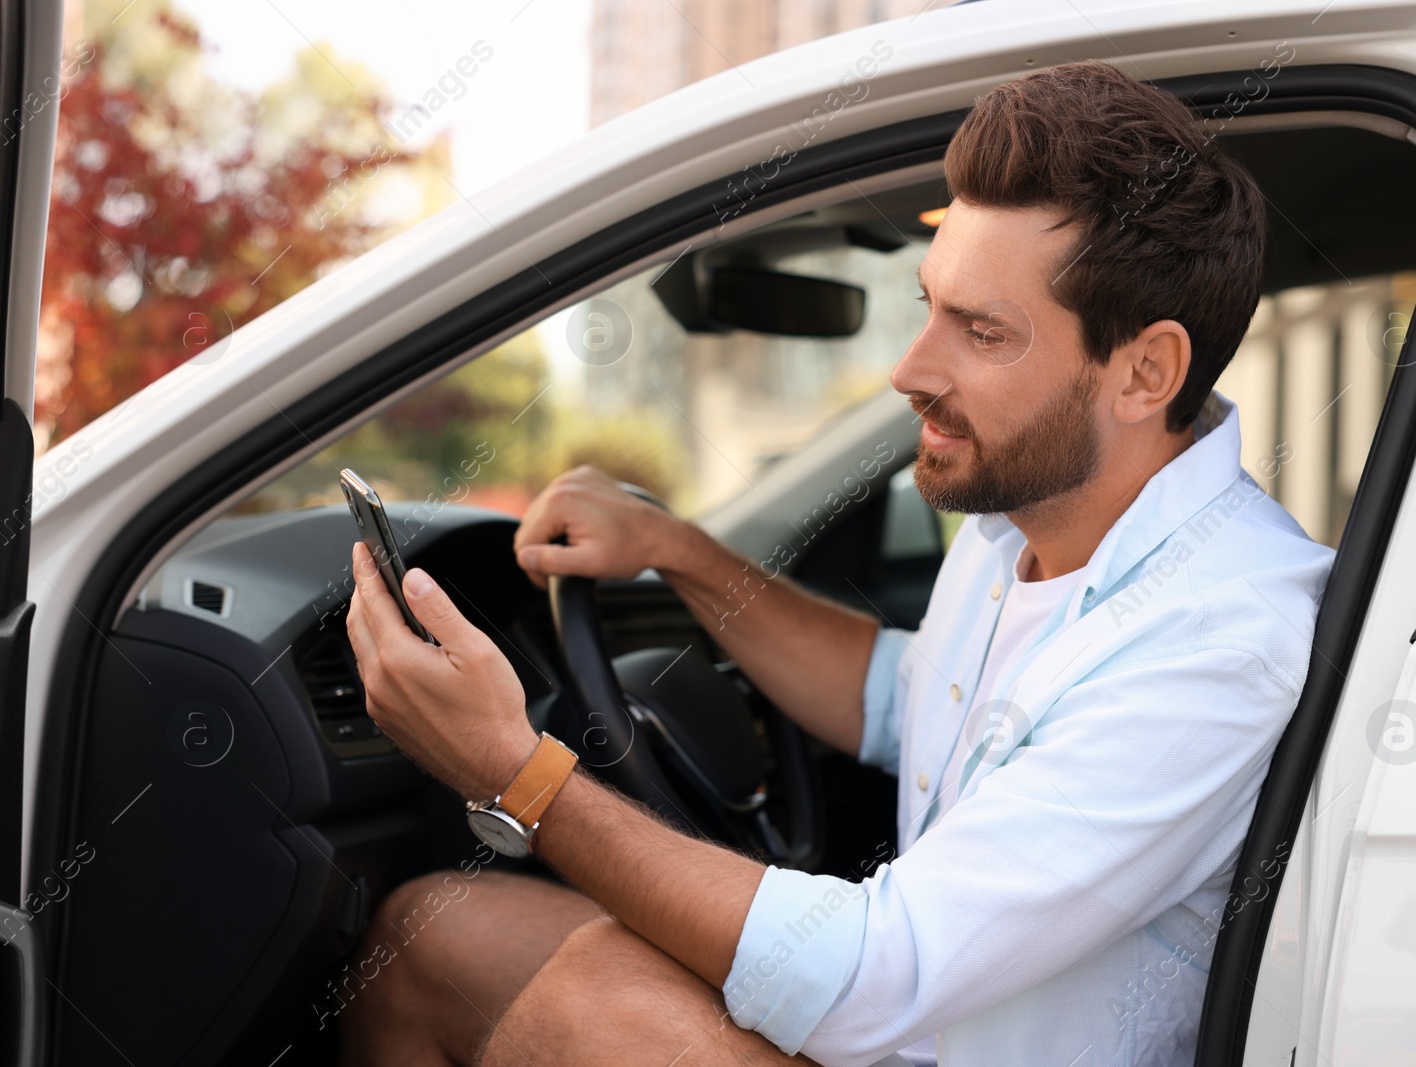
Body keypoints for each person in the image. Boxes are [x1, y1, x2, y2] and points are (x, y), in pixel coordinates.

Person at [340, 59, 1334, 1067]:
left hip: (901, 1019)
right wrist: (676, 550)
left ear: (1144, 371)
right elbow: (905, 700)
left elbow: (870, 977)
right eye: (929, 304)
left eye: (980, 330)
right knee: (430, 933)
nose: (911, 368)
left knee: (584, 986)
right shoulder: (1026, 527)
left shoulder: (1216, 634)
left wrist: (515, 770)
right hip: (906, 1026)